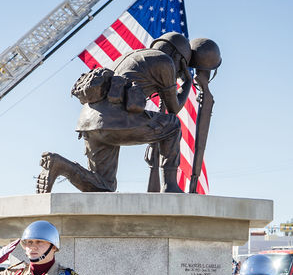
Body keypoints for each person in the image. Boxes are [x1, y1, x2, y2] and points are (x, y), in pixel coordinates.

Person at [36, 32, 193, 194]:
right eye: (181, 68)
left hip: (89, 122)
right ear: (178, 58)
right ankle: (170, 186)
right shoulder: (165, 61)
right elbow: (174, 108)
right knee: (173, 125)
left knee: (103, 186)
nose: (178, 73)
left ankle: (60, 165)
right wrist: (188, 82)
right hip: (115, 120)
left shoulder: (129, 56)